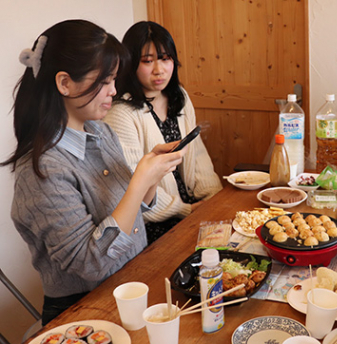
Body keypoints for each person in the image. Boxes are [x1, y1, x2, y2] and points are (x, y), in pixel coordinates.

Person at [3, 20, 186, 325]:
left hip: (132, 283)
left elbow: (131, 214)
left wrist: (150, 179)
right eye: (104, 81)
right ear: (64, 83)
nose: (113, 91)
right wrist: (138, 181)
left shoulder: (101, 132)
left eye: (114, 79)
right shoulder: (42, 170)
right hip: (85, 310)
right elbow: (92, 263)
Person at [105, 21, 222, 244]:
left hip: (192, 210)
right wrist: (185, 210)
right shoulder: (121, 112)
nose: (159, 70)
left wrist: (212, 200)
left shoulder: (179, 97)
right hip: (154, 223)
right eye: (147, 61)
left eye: (165, 59)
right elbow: (133, 186)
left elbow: (197, 155)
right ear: (130, 64)